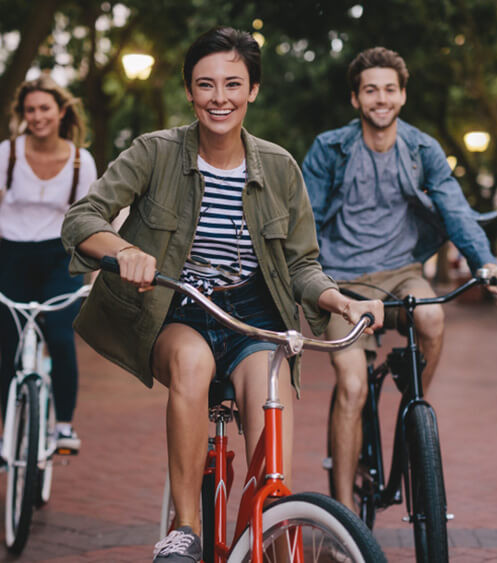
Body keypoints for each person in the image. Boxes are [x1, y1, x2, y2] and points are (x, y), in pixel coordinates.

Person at [62, 27, 383, 563]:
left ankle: (273, 526)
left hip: (254, 315)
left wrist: (340, 301)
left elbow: (302, 264)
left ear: (253, 89)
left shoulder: (280, 167)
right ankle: (185, 529)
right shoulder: (155, 152)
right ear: (189, 91)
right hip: (179, 307)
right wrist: (122, 251)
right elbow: (82, 218)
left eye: (233, 84)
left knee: (268, 408)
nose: (220, 98)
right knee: (190, 364)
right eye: (205, 85)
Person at [301, 46, 497, 512]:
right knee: (353, 386)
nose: (381, 98)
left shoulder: (422, 150)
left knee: (435, 318)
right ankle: (343, 518)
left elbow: (455, 211)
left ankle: (409, 411)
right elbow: (307, 224)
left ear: (402, 95)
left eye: (390, 89)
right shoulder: (329, 149)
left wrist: (485, 262)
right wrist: (312, 283)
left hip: (402, 273)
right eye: (370, 90)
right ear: (356, 99)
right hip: (343, 283)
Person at [0, 76, 97, 472]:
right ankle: (8, 432)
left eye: (45, 108)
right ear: (23, 114)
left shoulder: (82, 160)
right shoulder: (7, 153)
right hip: (12, 257)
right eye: (30, 110)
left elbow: (91, 220)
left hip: (60, 257)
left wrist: (97, 271)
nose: (37, 116)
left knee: (61, 336)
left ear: (61, 111)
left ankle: (63, 425)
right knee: (10, 350)